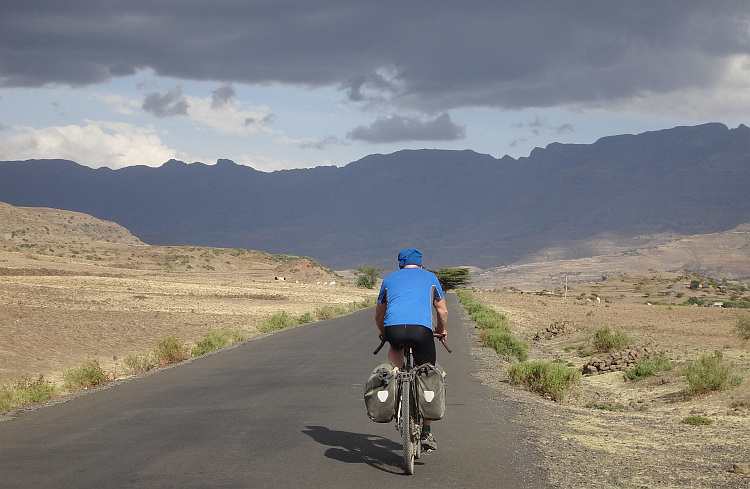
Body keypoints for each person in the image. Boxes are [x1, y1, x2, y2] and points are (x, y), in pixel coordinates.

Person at [375, 248, 448, 451]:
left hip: (394, 330)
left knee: (393, 368)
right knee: (428, 372)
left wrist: (384, 333)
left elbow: (379, 316)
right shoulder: (431, 277)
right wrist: (441, 330)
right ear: (420, 263)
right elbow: (442, 310)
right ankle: (426, 433)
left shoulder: (389, 279)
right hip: (421, 331)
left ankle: (394, 392)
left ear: (400, 263)